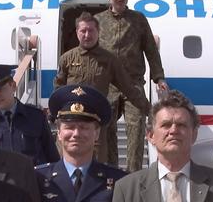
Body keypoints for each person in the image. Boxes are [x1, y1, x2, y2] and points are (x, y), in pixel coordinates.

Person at [54, 11, 150, 167]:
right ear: (77, 33)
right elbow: (58, 89)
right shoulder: (67, 59)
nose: (87, 35)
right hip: (71, 121)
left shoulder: (109, 60)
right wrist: (55, 116)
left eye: (91, 30)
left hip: (95, 123)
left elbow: (129, 89)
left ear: (98, 32)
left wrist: (151, 111)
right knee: (67, 164)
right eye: (83, 31)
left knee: (97, 167)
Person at [96, 0, 168, 172]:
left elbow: (151, 50)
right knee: (106, 129)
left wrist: (158, 77)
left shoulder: (138, 19)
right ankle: (111, 173)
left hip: (133, 84)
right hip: (108, 85)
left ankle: (133, 175)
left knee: (136, 129)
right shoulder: (99, 21)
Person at [0, 63, 58, 166]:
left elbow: (53, 158)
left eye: (0, 89)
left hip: (33, 180)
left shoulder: (36, 117)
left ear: (13, 86)